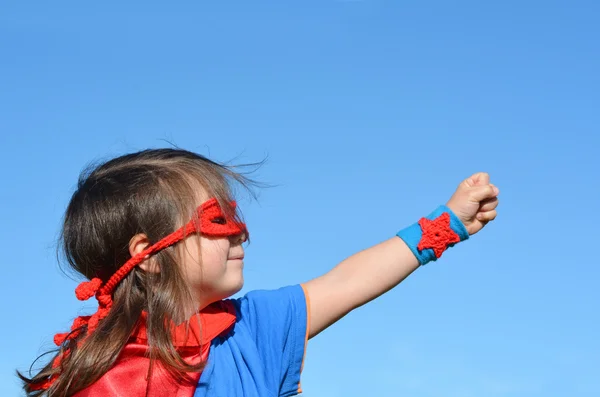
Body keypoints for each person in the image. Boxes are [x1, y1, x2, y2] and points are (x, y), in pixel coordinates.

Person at [19, 148, 499, 396]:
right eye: (216, 220)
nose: (239, 233)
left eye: (234, 216)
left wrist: (444, 225)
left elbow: (346, 284)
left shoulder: (251, 329)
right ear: (147, 252)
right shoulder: (98, 375)